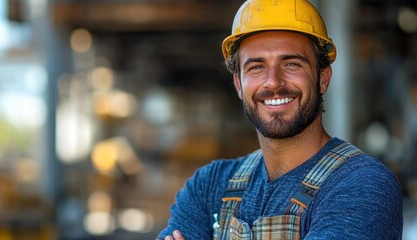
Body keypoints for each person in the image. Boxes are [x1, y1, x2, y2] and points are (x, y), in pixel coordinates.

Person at [157, 0, 403, 239]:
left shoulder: (362, 184)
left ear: (323, 78)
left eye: (292, 64)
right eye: (256, 67)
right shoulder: (209, 186)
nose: (273, 81)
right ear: (238, 84)